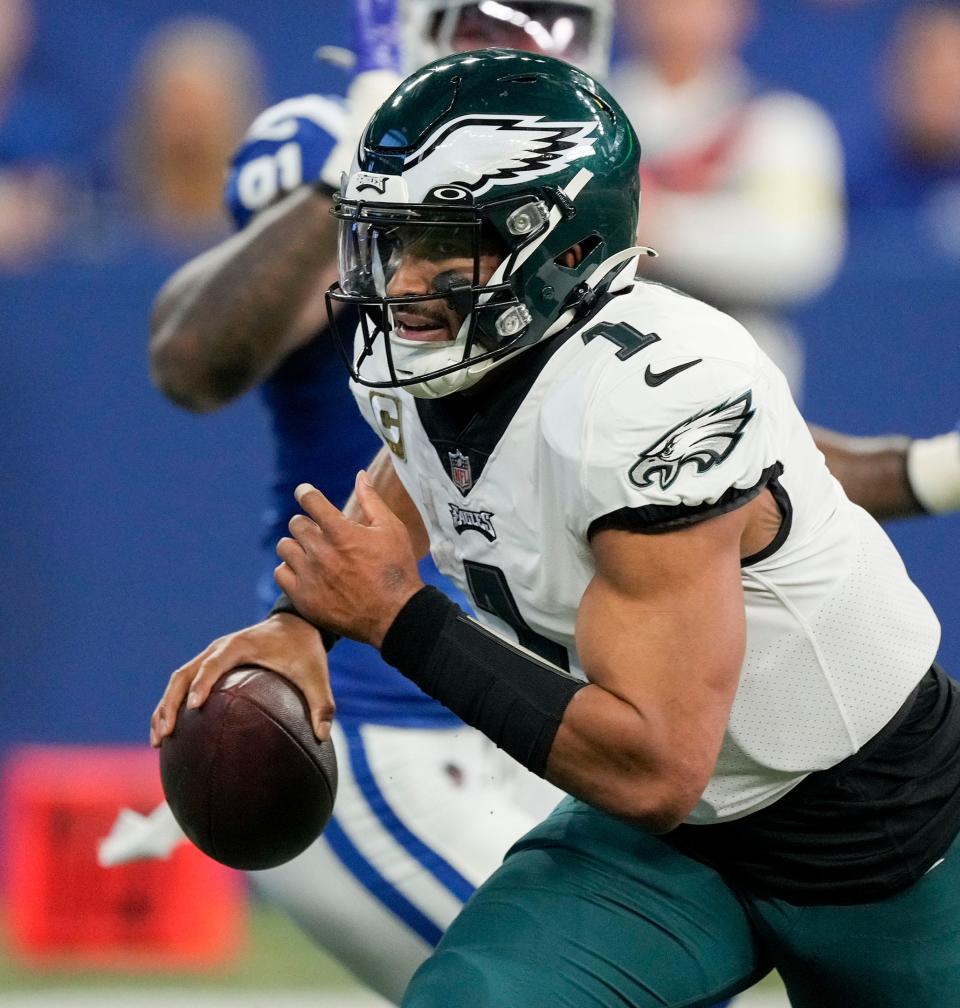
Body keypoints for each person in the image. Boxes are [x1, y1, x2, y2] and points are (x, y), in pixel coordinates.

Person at [151, 49, 960, 1006]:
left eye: (444, 244)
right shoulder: (438, 361)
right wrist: (301, 624)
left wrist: (399, 619)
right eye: (388, 242)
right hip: (667, 847)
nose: (403, 283)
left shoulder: (651, 392)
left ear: (563, 247)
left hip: (877, 836)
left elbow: (657, 760)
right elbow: (413, 478)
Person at [608, 0, 847, 397]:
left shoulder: (782, 123)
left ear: (741, 12)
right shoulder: (587, 122)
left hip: (740, 349)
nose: (681, 13)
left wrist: (661, 228)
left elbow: (800, 250)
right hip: (604, 347)